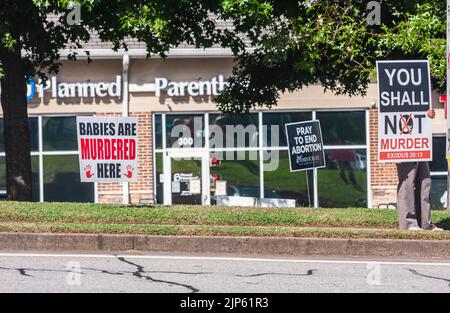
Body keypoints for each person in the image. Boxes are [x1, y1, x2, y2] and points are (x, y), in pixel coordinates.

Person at [396, 109, 443, 231]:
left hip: (419, 143)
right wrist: (392, 151)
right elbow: (388, 117)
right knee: (407, 184)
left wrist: (427, 115)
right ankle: (409, 224)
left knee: (425, 182)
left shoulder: (418, 93)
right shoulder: (395, 93)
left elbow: (418, 115)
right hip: (403, 144)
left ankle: (425, 224)